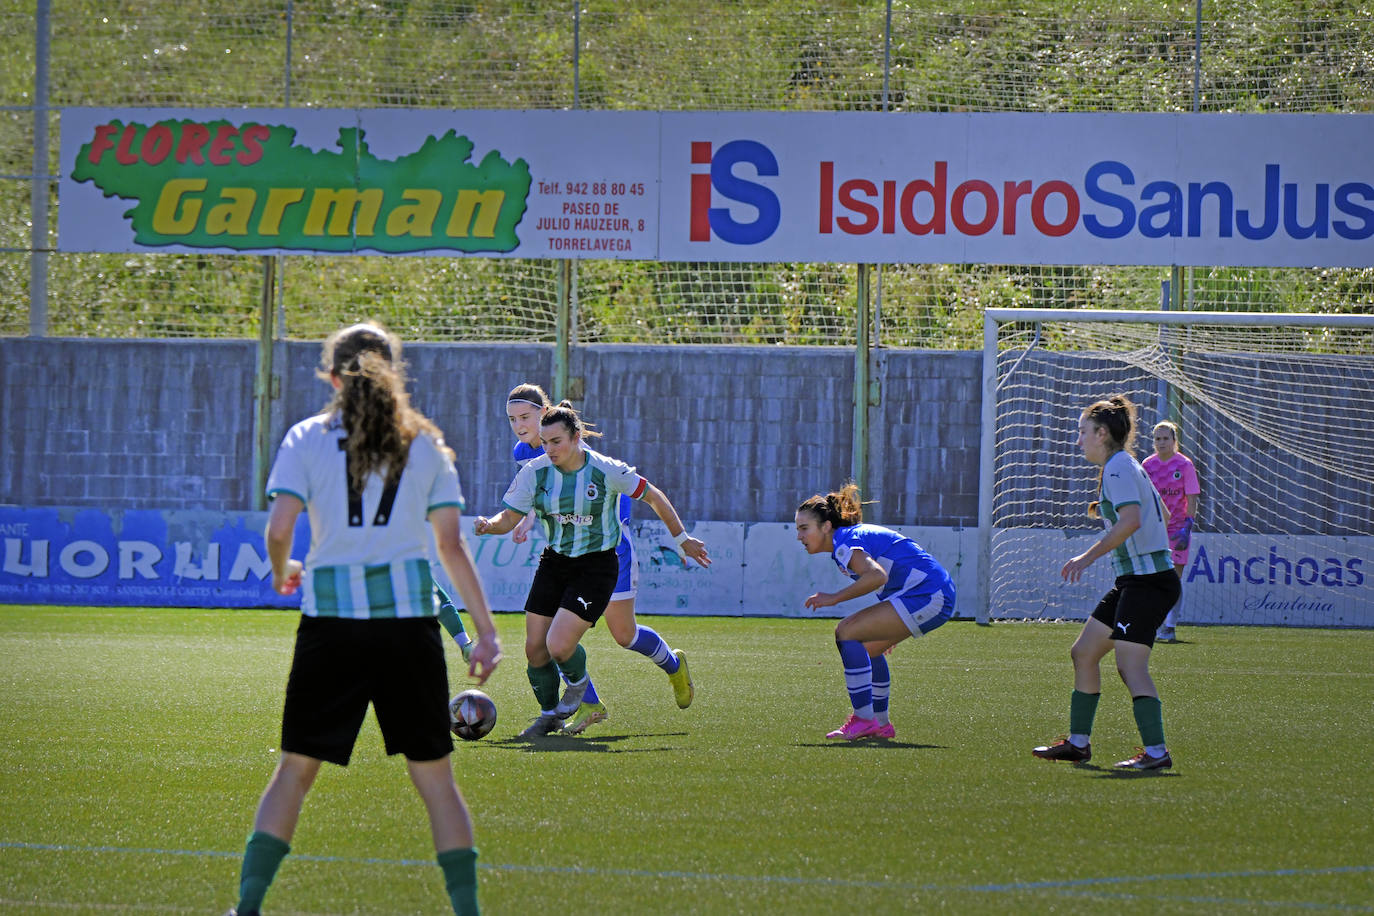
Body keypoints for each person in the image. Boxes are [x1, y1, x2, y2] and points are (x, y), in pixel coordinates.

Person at [226, 323, 502, 916]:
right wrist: (486, 630)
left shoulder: (306, 437)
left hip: (332, 626)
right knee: (436, 782)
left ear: (332, 376)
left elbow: (278, 530)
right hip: (408, 627)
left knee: (295, 771)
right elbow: (451, 547)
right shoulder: (425, 444)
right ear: (394, 374)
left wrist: (282, 571)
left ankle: (247, 908)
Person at [475, 402, 709, 738]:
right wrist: (491, 524)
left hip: (602, 561)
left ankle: (663, 669)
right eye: (544, 441)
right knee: (539, 645)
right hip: (556, 561)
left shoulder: (604, 469)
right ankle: (561, 712)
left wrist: (682, 538)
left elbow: (651, 495)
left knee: (612, 637)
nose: (548, 448)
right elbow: (510, 514)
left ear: (575, 437)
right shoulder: (531, 468)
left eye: (556, 441)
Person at [1032, 394, 1180, 771]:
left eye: (1082, 432)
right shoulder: (1125, 465)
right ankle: (1078, 744)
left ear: (1101, 433)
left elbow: (1131, 520)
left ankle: (1157, 752)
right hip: (1137, 580)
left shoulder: (1118, 468)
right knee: (1084, 652)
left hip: (1148, 582)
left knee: (1131, 666)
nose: (1078, 440)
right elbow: (1159, 511)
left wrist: (1086, 557)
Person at [795, 483, 956, 741]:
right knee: (869, 648)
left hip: (929, 594)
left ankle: (863, 719)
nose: (799, 536)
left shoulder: (844, 543)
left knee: (845, 631)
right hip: (930, 593)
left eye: (804, 528)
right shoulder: (847, 541)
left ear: (826, 526)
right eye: (797, 529)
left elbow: (876, 576)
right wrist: (888, 626)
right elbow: (889, 575)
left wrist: (834, 598)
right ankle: (880, 724)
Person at [1142, 420, 1200, 643]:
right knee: (1150, 580)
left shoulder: (1184, 465)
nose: (1161, 442)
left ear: (1175, 441)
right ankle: (1151, 624)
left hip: (1177, 531)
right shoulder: (1147, 465)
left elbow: (1192, 497)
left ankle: (1170, 627)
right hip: (1153, 529)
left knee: (1173, 580)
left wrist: (1188, 526)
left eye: (1166, 438)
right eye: (1158, 438)